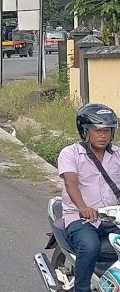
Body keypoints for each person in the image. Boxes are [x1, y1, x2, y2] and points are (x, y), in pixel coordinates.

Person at [57, 104, 120, 292]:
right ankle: (82, 289)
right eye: (97, 130)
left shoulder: (118, 154)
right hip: (82, 218)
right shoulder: (70, 153)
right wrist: (83, 207)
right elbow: (71, 183)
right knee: (89, 247)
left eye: (107, 131)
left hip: (113, 217)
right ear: (85, 131)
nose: (103, 135)